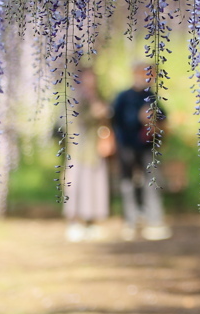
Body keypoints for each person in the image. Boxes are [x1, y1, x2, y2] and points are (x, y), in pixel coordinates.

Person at [111, 62, 171, 240]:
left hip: (147, 147)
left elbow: (164, 121)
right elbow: (115, 121)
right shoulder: (123, 97)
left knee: (151, 182)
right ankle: (131, 221)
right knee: (128, 184)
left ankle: (154, 220)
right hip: (127, 146)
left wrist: (154, 125)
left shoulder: (152, 97)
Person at [61, 66, 114, 241]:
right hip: (78, 150)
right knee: (76, 186)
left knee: (94, 188)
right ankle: (75, 222)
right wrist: (93, 113)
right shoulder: (74, 99)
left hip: (95, 150)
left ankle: (92, 223)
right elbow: (69, 121)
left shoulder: (98, 97)